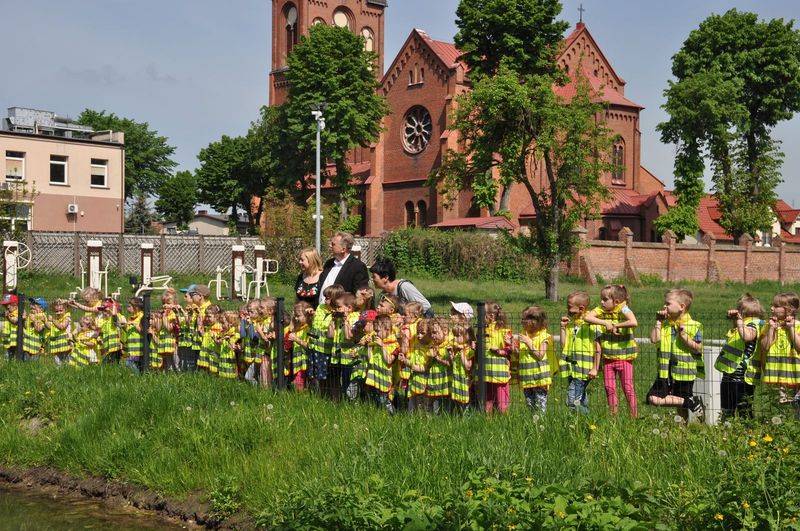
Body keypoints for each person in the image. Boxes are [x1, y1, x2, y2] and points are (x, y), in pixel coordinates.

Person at [647, 288, 705, 420]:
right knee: (653, 398)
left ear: (681, 307)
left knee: (681, 405)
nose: (664, 306)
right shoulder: (665, 325)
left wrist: (684, 336)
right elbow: (654, 339)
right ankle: (691, 403)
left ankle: (682, 429)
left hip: (685, 371)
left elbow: (697, 348)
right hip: (664, 371)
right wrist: (658, 322)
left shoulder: (695, 325)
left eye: (668, 303)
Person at [584, 284, 639, 417]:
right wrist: (605, 323)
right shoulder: (601, 310)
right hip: (608, 358)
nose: (601, 302)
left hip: (625, 358)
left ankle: (633, 417)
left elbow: (633, 322)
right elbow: (587, 317)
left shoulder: (623, 309)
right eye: (601, 299)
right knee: (609, 388)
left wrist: (616, 325)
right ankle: (613, 417)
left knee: (627, 388)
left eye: (605, 299)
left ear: (616, 301)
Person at [750, 292, 800, 416]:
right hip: (778, 374)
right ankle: (782, 428)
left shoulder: (797, 326)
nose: (772, 308)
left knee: (796, 406)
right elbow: (764, 347)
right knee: (782, 406)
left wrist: (791, 329)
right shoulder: (769, 325)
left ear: (789, 310)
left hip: (796, 374)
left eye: (776, 306)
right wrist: (771, 329)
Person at [715, 294, 764, 419]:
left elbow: (747, 337)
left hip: (743, 376)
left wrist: (739, 321)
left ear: (743, 312)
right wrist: (736, 320)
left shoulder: (754, 324)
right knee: (727, 409)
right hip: (730, 373)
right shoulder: (743, 323)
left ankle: (747, 431)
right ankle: (726, 431)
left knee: (744, 409)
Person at [559, 291, 601, 414]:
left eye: (569, 307)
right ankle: (584, 421)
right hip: (572, 368)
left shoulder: (592, 323)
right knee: (580, 397)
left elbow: (598, 347)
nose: (567, 309)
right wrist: (563, 327)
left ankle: (581, 420)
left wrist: (595, 368)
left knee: (572, 401)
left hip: (584, 369)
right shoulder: (572, 324)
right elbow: (563, 344)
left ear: (581, 308)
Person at [517, 306, 554, 413]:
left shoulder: (544, 337)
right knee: (530, 404)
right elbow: (521, 355)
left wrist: (528, 342)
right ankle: (532, 425)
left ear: (535, 322)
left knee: (540, 404)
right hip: (527, 377)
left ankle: (540, 424)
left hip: (539, 378)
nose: (521, 322)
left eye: (524, 319)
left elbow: (540, 355)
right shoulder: (525, 336)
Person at [317, 232, 369, 305]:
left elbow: (358, 295)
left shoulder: (357, 267)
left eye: (333, 244)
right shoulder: (329, 263)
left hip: (340, 312)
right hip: (321, 311)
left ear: (343, 249)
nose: (330, 246)